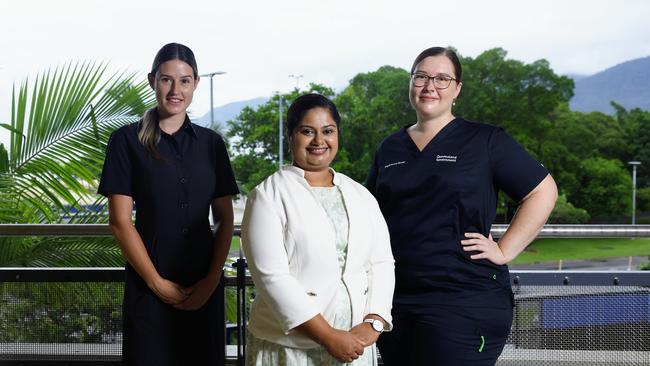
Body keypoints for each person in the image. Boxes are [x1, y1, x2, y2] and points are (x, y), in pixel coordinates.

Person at [366, 47, 558, 366]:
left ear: (457, 89)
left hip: (462, 298)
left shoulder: (485, 141)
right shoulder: (390, 147)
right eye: (421, 77)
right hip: (396, 299)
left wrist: (504, 250)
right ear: (410, 83)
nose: (430, 86)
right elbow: (370, 215)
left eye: (442, 78)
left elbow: (542, 191)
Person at [98, 42, 239, 366]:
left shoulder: (212, 144)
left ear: (196, 83)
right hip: (149, 288)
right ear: (152, 80)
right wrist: (156, 283)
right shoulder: (126, 141)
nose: (176, 90)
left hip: (204, 285)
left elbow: (224, 221)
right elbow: (120, 222)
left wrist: (211, 280)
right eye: (166, 80)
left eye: (185, 80)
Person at [241, 93, 395, 366]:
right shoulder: (267, 196)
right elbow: (271, 278)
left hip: (355, 343)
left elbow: (381, 262)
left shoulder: (360, 194)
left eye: (328, 131)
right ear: (291, 138)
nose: (318, 141)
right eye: (307, 131)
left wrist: (375, 320)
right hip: (288, 349)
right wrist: (327, 336)